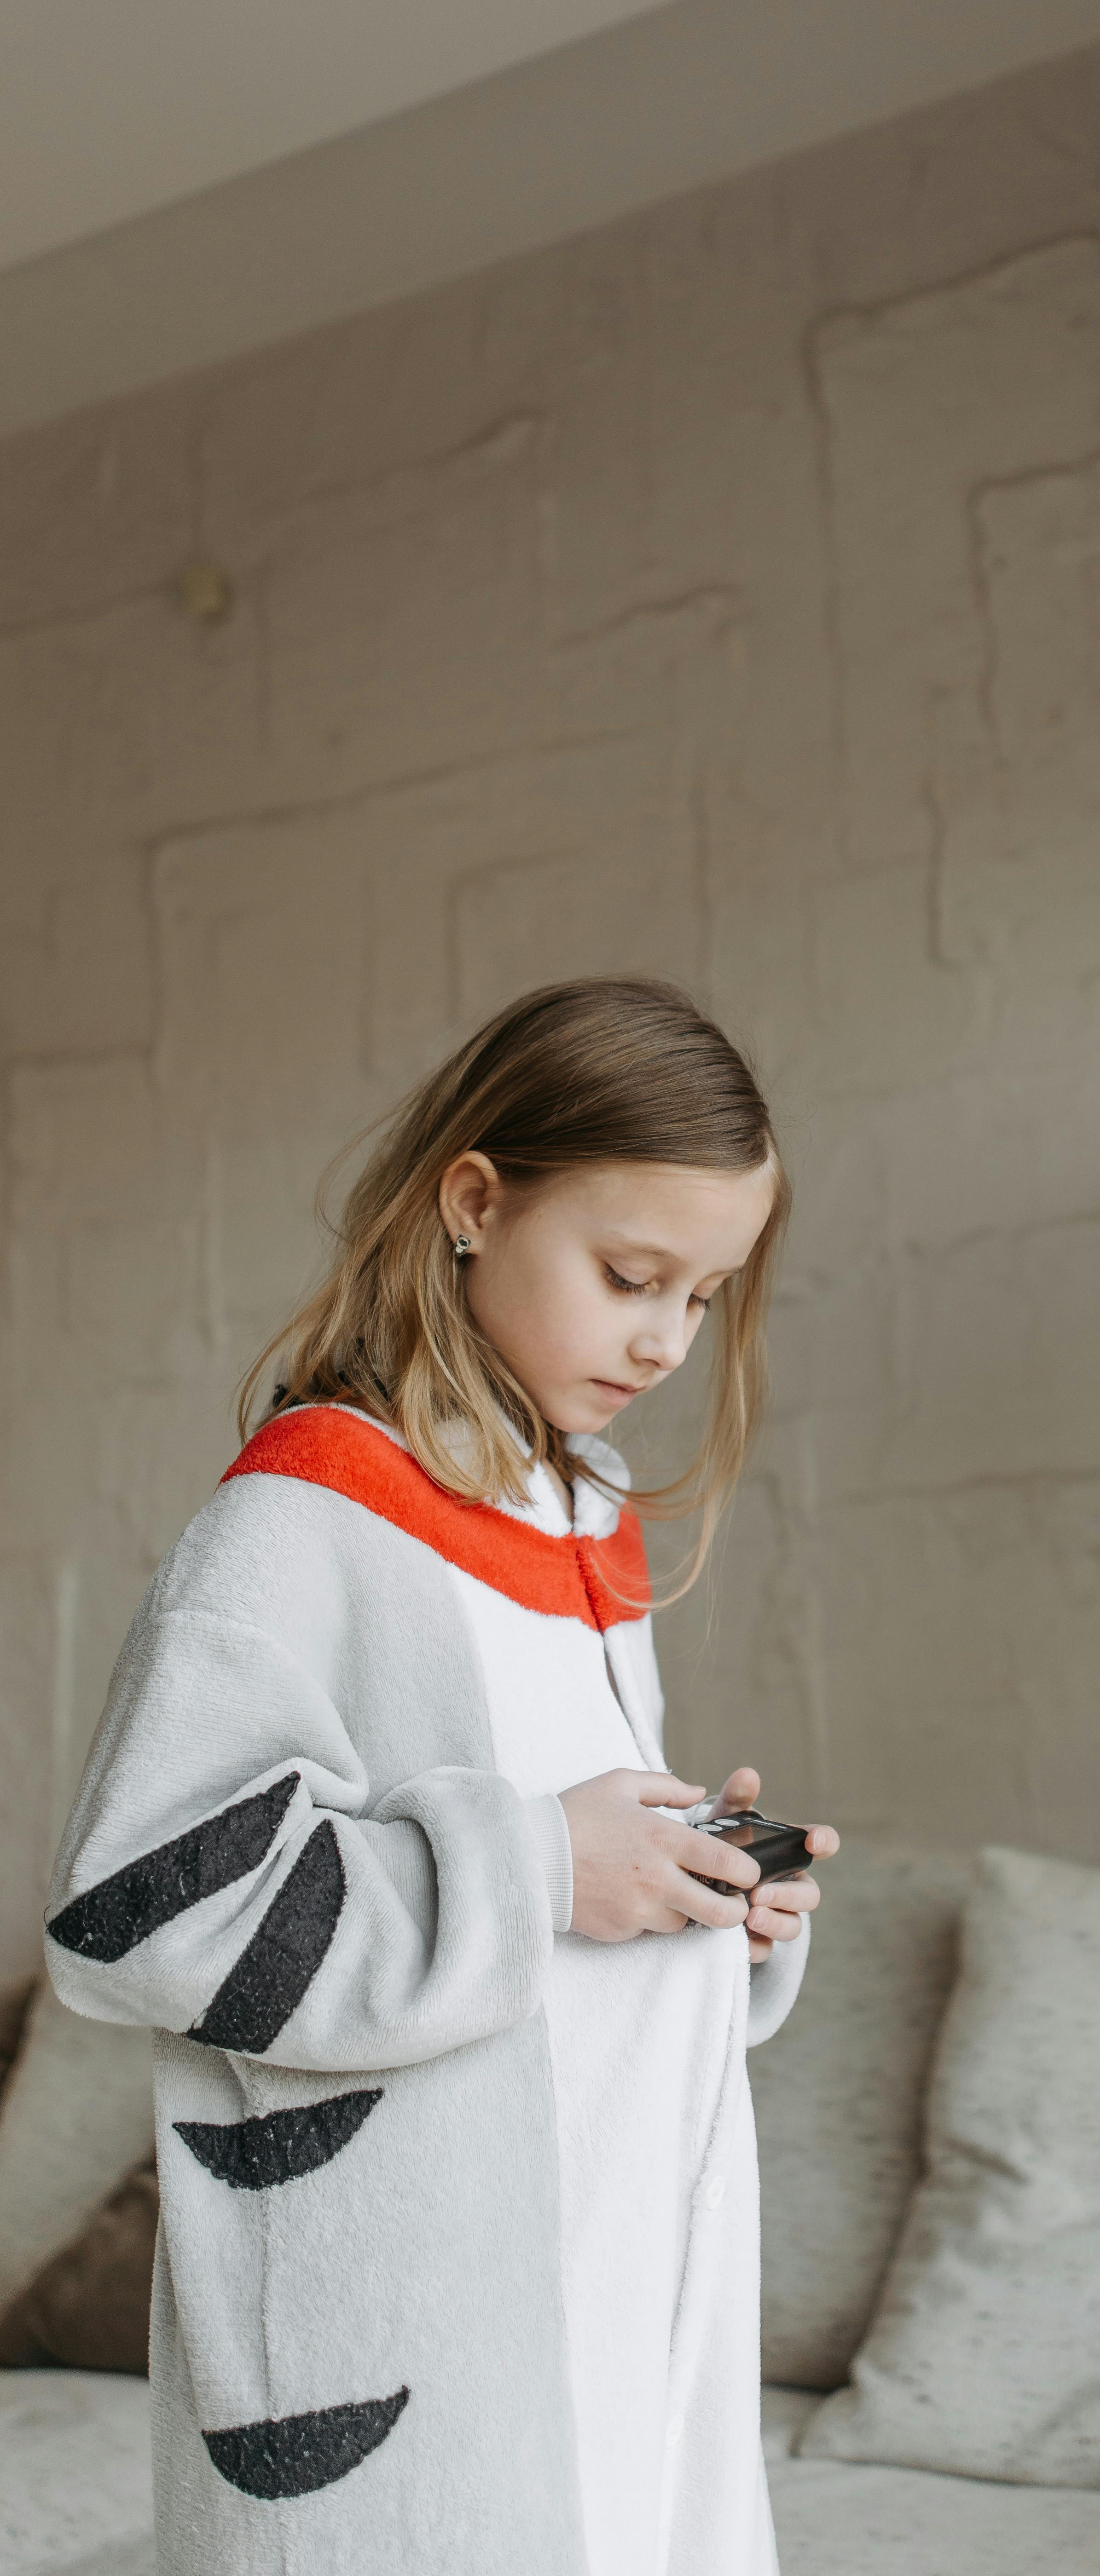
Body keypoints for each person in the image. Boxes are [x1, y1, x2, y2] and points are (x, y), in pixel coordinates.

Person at [43, 977, 837, 2576]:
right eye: (630, 1276)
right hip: (416, 2317)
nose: (666, 1339)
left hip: (620, 2264)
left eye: (705, 1296)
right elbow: (133, 1912)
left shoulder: (579, 1505)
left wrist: (695, 1893)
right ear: (474, 1201)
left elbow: (559, 1867)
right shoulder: (300, 1519)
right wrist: (542, 1867)